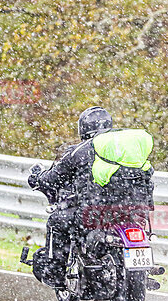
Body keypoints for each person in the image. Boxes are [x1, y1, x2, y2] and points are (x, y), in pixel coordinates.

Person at [27, 106, 154, 287]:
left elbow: (53, 178)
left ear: (83, 128)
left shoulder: (79, 151)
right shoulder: (128, 151)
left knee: (56, 221)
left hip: (95, 213)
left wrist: (37, 178)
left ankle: (56, 275)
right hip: (133, 212)